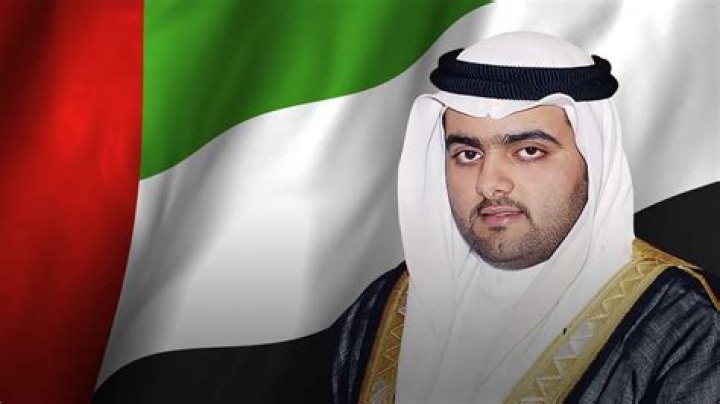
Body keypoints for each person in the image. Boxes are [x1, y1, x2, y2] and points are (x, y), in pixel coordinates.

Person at [329, 32, 720, 403]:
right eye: (468, 154)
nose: (489, 184)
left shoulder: (685, 324)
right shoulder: (381, 309)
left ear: (594, 161)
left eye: (529, 151)